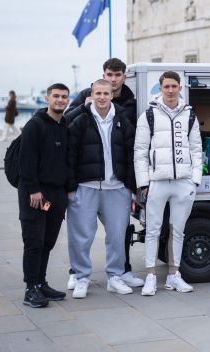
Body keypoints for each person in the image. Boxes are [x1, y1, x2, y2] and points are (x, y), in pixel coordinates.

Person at [64, 57, 142, 289]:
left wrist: (131, 184)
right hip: (86, 184)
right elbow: (67, 140)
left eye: (117, 75)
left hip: (116, 186)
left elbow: (132, 149)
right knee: (81, 235)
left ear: (122, 78)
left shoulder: (127, 106)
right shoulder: (82, 111)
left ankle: (118, 274)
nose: (112, 81)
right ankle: (78, 275)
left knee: (118, 234)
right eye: (109, 75)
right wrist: (70, 186)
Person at [134, 71, 202, 295]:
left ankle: (174, 275)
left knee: (178, 231)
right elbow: (140, 152)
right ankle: (151, 276)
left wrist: (195, 180)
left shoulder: (189, 115)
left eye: (174, 86)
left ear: (180, 88)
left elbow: (196, 150)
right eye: (166, 86)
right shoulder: (149, 115)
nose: (171, 90)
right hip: (157, 182)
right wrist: (144, 183)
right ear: (160, 88)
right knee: (153, 230)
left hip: (183, 182)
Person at [17, 83, 71, 308]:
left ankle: (41, 282)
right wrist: (33, 189)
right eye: (56, 96)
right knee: (34, 241)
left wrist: (68, 189)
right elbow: (26, 161)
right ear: (47, 99)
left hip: (56, 195)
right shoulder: (34, 126)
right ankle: (31, 288)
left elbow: (65, 160)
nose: (60, 100)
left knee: (47, 241)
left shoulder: (64, 125)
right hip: (35, 194)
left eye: (64, 97)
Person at [66, 58, 136, 125]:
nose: (113, 79)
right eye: (109, 75)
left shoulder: (131, 103)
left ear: (124, 78)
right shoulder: (86, 94)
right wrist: (83, 108)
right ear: (104, 76)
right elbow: (66, 119)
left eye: (117, 75)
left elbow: (132, 131)